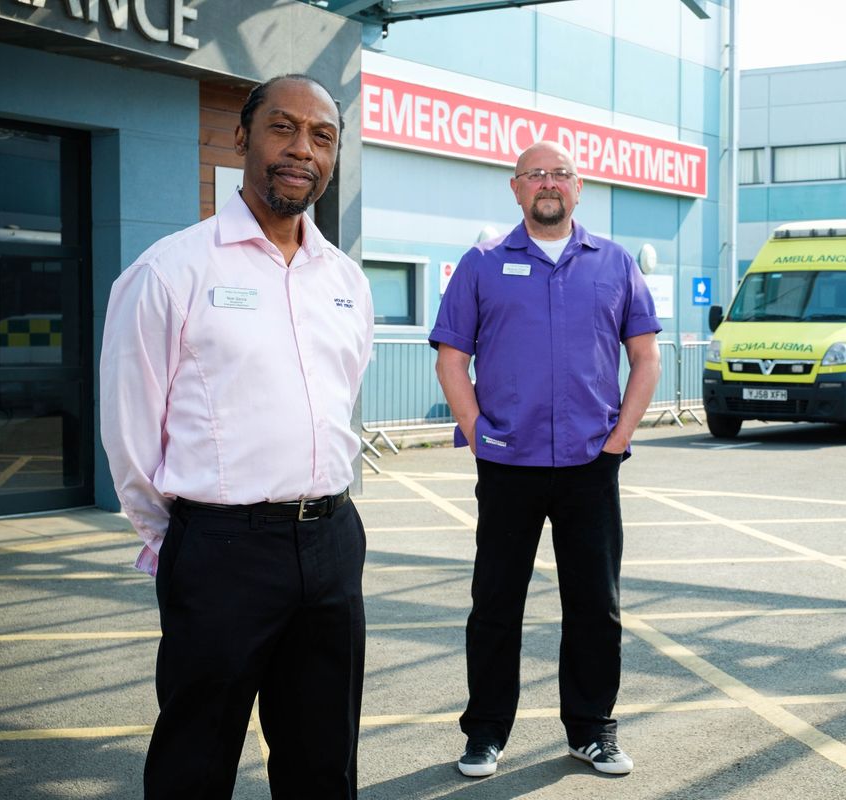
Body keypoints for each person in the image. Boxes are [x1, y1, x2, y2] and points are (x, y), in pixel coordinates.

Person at [99, 74, 374, 799]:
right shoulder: (172, 269)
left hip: (333, 540)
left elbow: (341, 401)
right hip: (221, 549)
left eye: (322, 136)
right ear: (241, 137)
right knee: (197, 755)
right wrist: (180, 541)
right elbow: (129, 434)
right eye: (283, 128)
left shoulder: (345, 279)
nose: (302, 150)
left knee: (324, 759)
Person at [429, 140, 662, 778]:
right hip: (507, 465)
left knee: (594, 604)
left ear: (579, 187)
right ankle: (484, 735)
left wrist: (619, 437)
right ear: (516, 188)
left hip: (591, 465)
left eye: (560, 174)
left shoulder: (613, 263)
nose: (548, 184)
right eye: (535, 175)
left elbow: (645, 358)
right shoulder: (480, 264)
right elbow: (451, 359)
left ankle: (591, 731)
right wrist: (477, 433)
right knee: (496, 603)